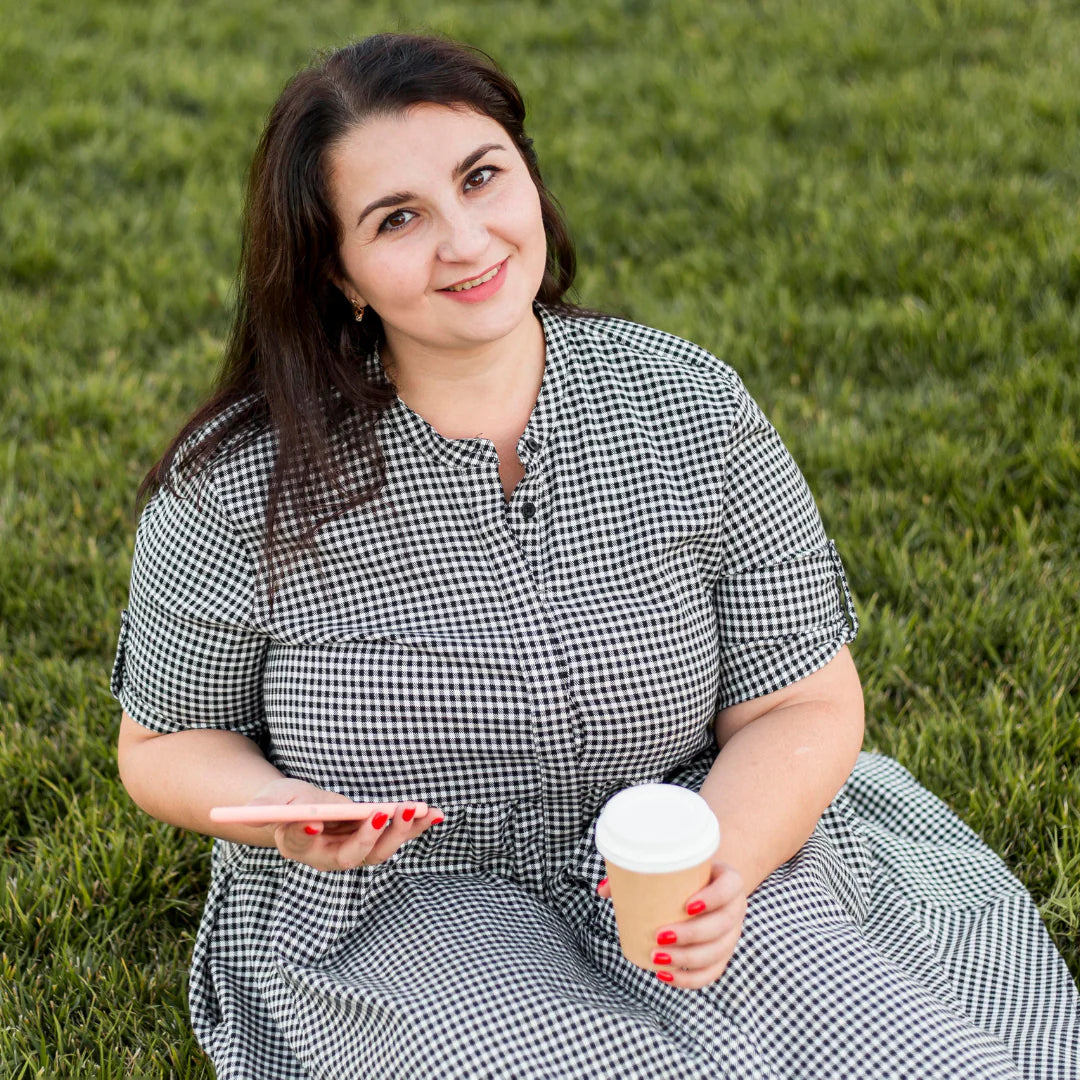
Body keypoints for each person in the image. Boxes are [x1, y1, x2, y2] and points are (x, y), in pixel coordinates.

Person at [112, 32, 1079, 1080]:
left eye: (481, 178)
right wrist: (288, 813)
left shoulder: (688, 404)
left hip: (692, 836)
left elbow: (800, 703)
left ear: (528, 176)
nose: (466, 240)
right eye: (397, 219)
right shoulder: (237, 485)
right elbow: (165, 741)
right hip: (411, 906)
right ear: (337, 271)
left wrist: (720, 867)